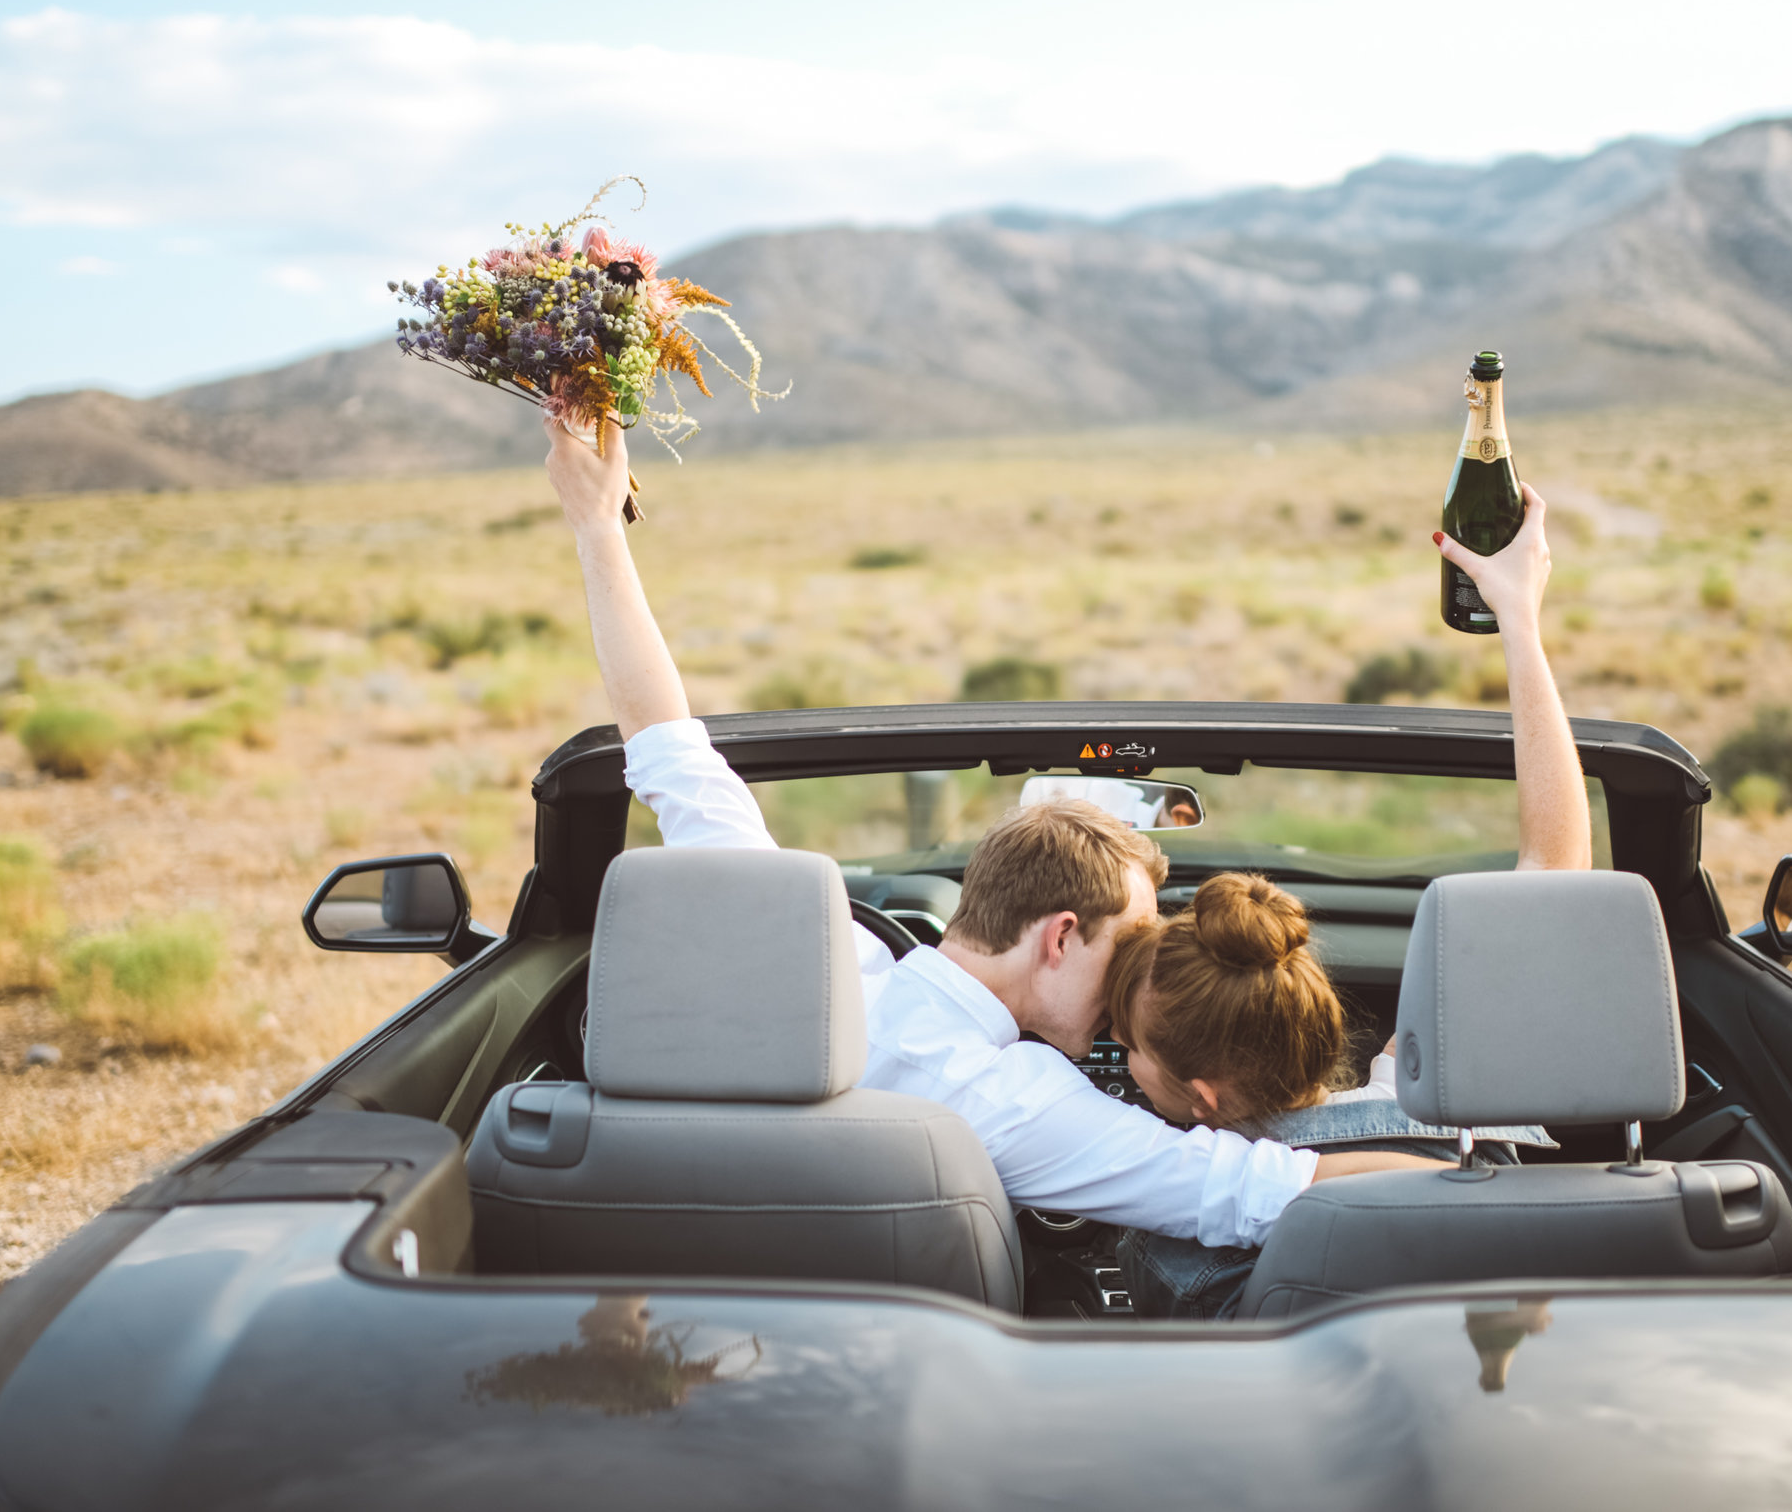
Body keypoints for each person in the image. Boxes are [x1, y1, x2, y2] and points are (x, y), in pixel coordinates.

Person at [541, 412, 1438, 1255]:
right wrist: (1482, 1176)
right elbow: (1262, 1194)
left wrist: (596, 524)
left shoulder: (802, 947)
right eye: (1128, 942)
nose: (1143, 968)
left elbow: (666, 747)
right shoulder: (1017, 1104)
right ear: (1058, 936)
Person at [1103, 495, 1593, 1318]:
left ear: (1208, 1096)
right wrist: (1520, 618)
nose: (1125, 1063)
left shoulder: (1178, 1244)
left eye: (1131, 1051)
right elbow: (1555, 867)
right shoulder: (1461, 1124)